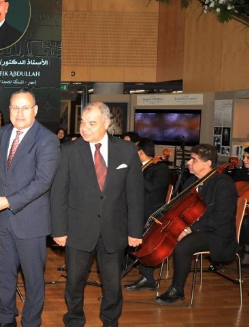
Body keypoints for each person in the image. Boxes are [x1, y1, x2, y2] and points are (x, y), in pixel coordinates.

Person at [50, 100, 144, 327]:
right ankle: (74, 320)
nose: (84, 128)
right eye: (83, 122)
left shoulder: (127, 150)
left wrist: (135, 231)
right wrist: (59, 230)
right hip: (78, 229)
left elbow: (136, 195)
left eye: (91, 123)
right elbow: (58, 193)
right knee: (74, 281)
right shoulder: (69, 151)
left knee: (112, 284)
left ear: (107, 123)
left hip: (114, 229)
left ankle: (110, 321)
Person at [0, 90, 61, 329]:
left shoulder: (47, 139)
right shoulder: (2, 133)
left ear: (35, 110)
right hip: (1, 220)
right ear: (8, 109)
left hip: (30, 222)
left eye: (25, 108)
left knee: (33, 279)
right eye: (15, 108)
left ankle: (31, 322)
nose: (19, 113)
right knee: (3, 274)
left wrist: (9, 201)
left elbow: (43, 182)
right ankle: (6, 318)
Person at [157, 144, 238, 303]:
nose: (188, 162)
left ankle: (177, 290)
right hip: (196, 228)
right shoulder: (191, 182)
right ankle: (147, 277)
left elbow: (220, 217)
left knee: (183, 246)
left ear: (207, 163)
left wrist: (189, 230)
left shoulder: (223, 183)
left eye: (193, 159)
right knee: (163, 233)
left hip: (217, 234)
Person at [124, 141, 170, 292]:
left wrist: (135, 172)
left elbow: (151, 187)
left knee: (138, 230)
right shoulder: (142, 166)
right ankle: (123, 262)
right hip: (136, 207)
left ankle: (148, 278)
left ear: (141, 153)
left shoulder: (160, 167)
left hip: (151, 210)